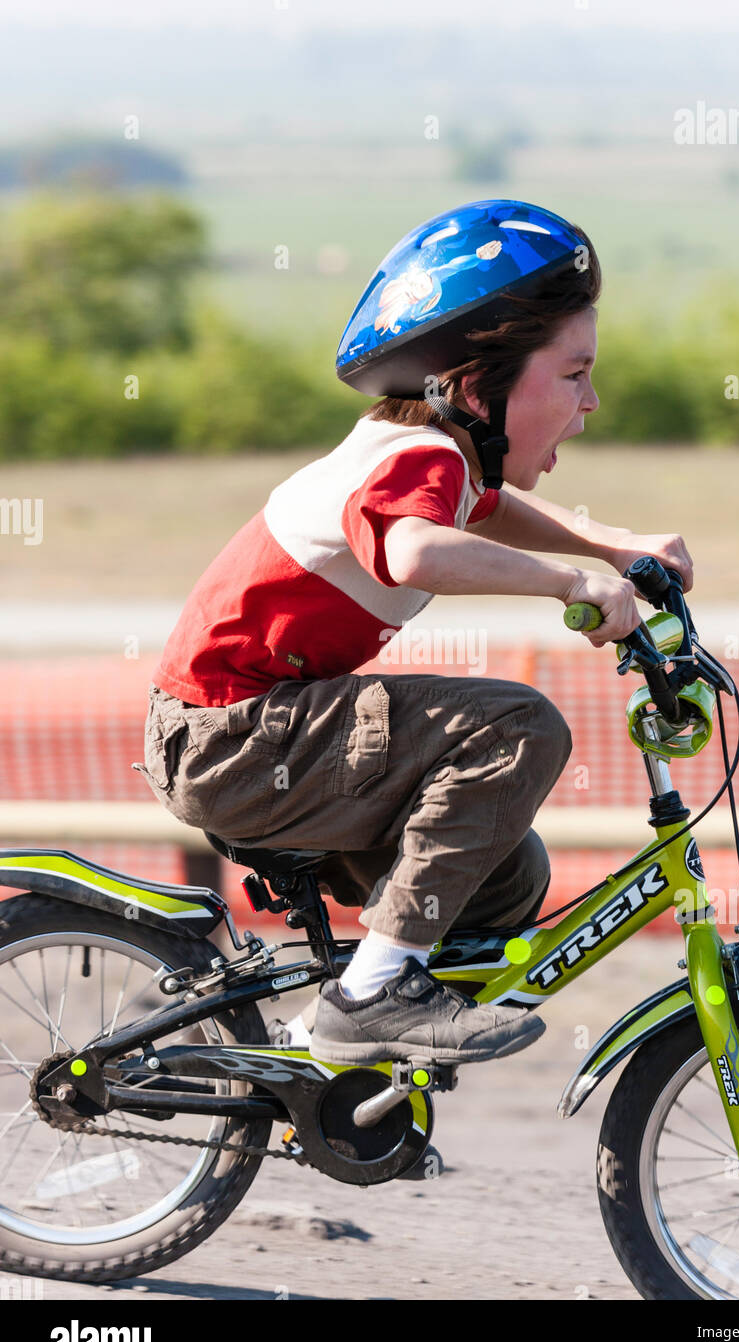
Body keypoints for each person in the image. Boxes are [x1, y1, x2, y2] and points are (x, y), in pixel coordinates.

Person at [136, 198, 692, 1071]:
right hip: (233, 739)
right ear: (478, 386)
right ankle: (368, 997)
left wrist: (611, 545)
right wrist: (572, 584)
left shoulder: (437, 451)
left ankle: (341, 1067)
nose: (592, 404)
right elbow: (414, 548)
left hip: (257, 732)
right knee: (517, 728)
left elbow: (487, 508)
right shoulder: (416, 461)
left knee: (506, 875)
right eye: (575, 374)